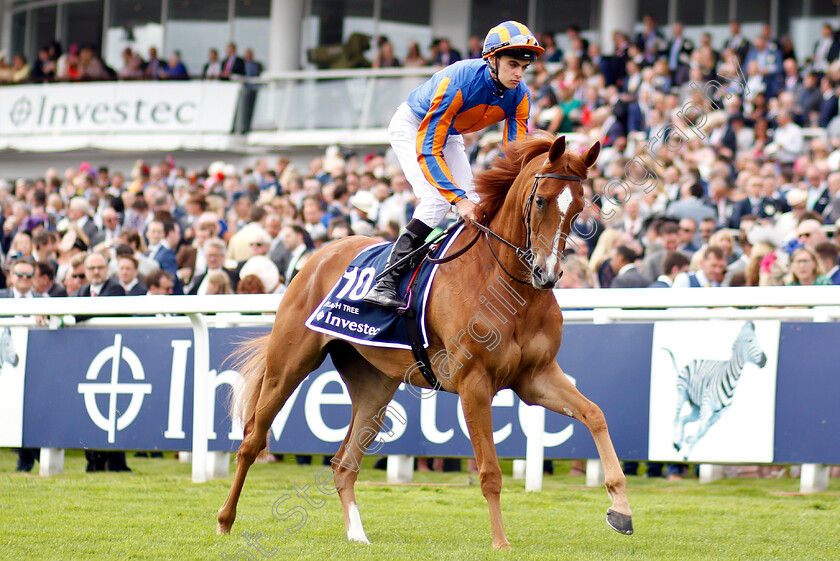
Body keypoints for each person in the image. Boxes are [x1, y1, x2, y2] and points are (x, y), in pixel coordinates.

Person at [364, 21, 543, 308]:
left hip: (450, 133)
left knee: (477, 203)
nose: (519, 74)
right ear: (492, 59)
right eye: (512, 64)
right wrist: (456, 200)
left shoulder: (520, 95)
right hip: (414, 126)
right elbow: (428, 148)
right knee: (438, 200)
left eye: (524, 66)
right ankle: (384, 279)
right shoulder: (460, 79)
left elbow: (515, 157)